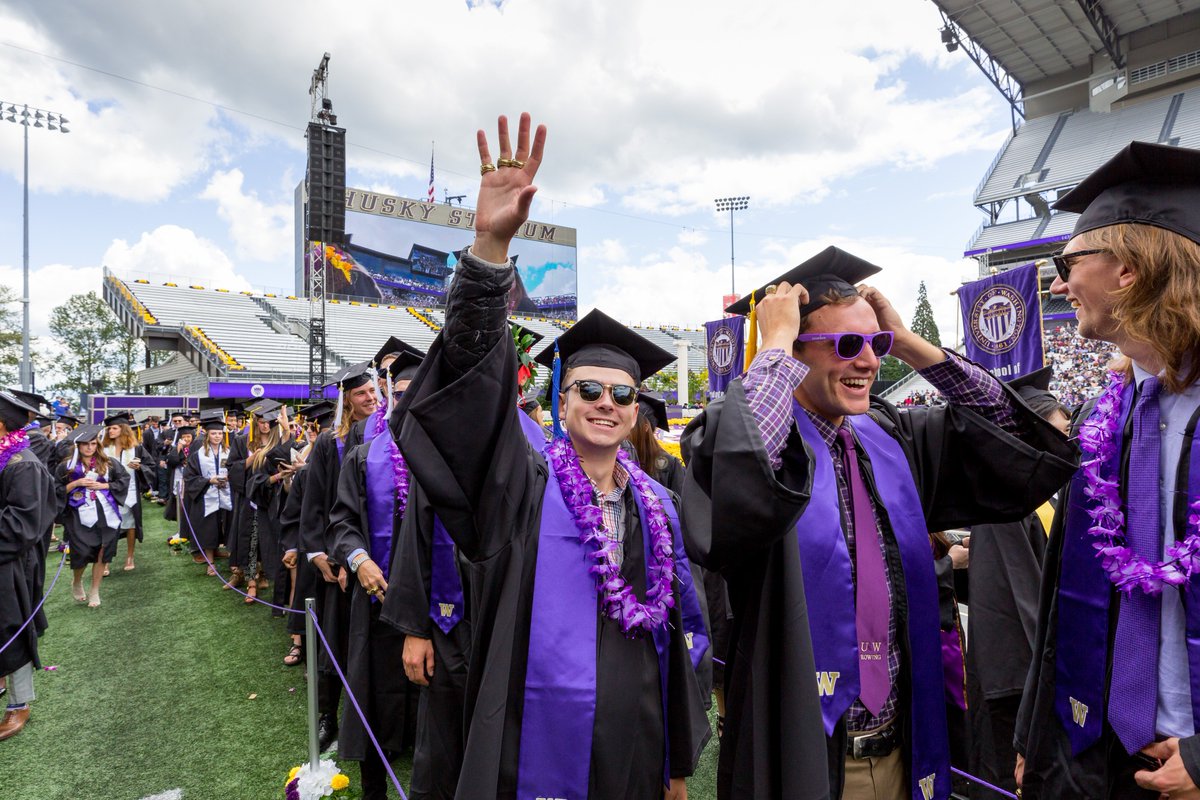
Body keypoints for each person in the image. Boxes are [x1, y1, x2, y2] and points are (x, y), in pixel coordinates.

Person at [681, 245, 1078, 800]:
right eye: (846, 345)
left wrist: (912, 347)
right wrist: (771, 343)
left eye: (876, 344)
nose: (868, 361)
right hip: (805, 752)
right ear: (795, 355)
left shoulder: (893, 437)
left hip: (902, 748)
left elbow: (1017, 431)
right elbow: (739, 475)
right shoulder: (757, 443)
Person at [396, 113, 709, 800]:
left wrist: (678, 761)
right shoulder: (520, 486)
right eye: (588, 389)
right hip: (528, 734)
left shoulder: (657, 506)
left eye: (623, 393)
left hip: (634, 740)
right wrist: (488, 253)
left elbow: (683, 632)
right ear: (560, 404)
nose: (607, 402)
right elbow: (471, 402)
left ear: (636, 410)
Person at [1016, 141, 1200, 799]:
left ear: (1126, 269)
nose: (1060, 284)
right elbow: (1068, 591)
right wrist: (1036, 734)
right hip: (1104, 755)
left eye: (1068, 263)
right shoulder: (1112, 413)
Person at [962, 367, 1068, 798]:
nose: (1069, 441)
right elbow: (1026, 597)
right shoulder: (1005, 497)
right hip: (1014, 680)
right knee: (1008, 782)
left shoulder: (1047, 494)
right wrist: (1050, 679)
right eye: (1058, 432)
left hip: (1027, 674)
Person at [328, 348, 427, 799]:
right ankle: (374, 791)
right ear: (387, 396)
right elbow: (342, 523)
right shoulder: (364, 456)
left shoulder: (452, 460)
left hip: (439, 608)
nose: (407, 401)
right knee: (374, 695)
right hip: (378, 601)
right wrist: (359, 559)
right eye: (400, 393)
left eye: (417, 393)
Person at [299, 361, 380, 752]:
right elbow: (315, 504)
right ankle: (328, 715)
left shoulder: (385, 438)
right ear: (347, 399)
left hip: (374, 558)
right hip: (338, 560)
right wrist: (319, 555)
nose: (370, 398)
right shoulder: (331, 442)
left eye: (373, 392)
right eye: (362, 393)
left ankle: (377, 720)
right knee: (334, 642)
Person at [0, 391, 57, 741]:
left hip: (10, 565)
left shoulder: (23, 463)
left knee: (11, 629)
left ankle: (19, 705)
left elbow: (21, 526)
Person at [58, 425, 131, 608]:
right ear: (78, 446)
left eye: (92, 444)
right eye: (85, 444)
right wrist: (76, 483)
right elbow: (54, 489)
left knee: (102, 551)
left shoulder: (109, 462)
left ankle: (95, 590)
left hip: (106, 513)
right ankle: (77, 580)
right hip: (78, 514)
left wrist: (105, 486)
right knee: (82, 551)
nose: (89, 448)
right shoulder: (66, 466)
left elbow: (123, 481)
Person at [245, 406, 295, 605]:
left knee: (281, 550)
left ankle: (282, 594)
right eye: (262, 422)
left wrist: (287, 432)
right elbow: (254, 480)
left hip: (283, 505)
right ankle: (252, 582)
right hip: (262, 504)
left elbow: (283, 456)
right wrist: (275, 477)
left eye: (269, 422)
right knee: (256, 543)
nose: (265, 426)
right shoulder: (251, 446)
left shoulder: (285, 445)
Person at [181, 409, 233, 575]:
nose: (217, 436)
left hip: (226, 496)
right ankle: (210, 562)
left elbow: (236, 470)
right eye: (214, 433)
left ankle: (230, 559)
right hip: (206, 497)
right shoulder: (198, 455)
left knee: (227, 527)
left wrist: (230, 478)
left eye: (219, 433)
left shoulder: (229, 452)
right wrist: (209, 481)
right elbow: (189, 477)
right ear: (207, 435)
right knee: (208, 529)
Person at [101, 412, 152, 572]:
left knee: (130, 525)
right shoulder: (103, 449)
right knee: (108, 526)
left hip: (130, 492)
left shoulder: (136, 449)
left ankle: (130, 556)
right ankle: (106, 560)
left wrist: (140, 468)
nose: (110, 431)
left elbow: (150, 466)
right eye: (109, 429)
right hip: (109, 493)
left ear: (123, 429)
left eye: (114, 428)